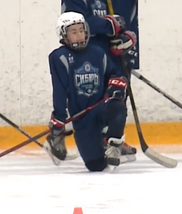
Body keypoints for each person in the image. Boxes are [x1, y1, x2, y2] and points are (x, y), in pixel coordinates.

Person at [60, 0, 137, 161]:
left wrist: (125, 36)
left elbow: (116, 21)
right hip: (85, 55)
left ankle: (112, 139)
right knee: (87, 97)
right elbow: (79, 24)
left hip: (106, 55)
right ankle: (57, 133)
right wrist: (108, 24)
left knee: (113, 96)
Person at [46, 12, 128, 172]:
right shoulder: (59, 57)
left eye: (81, 30)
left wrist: (117, 84)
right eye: (73, 32)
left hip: (101, 108)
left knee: (117, 106)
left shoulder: (97, 52)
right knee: (96, 166)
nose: (79, 35)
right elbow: (60, 89)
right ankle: (99, 146)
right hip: (82, 118)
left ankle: (114, 145)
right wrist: (59, 118)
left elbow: (115, 73)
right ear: (64, 35)